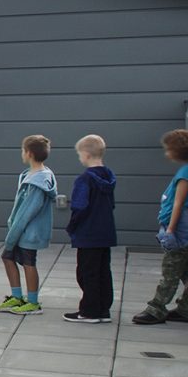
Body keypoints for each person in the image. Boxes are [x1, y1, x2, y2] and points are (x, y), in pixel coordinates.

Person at [135, 129, 188, 325]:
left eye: (168, 149)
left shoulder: (186, 173)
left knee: (171, 269)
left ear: (177, 151)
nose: (166, 153)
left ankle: (156, 308)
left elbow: (179, 203)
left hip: (181, 231)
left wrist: (170, 230)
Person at [0, 135, 58, 314]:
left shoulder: (38, 181)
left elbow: (26, 213)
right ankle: (17, 297)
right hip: (21, 230)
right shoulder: (28, 175)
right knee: (8, 258)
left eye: (23, 150)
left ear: (29, 154)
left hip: (28, 232)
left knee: (28, 263)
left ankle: (32, 302)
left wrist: (12, 235)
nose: (21, 153)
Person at [63, 135, 117, 323]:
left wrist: (72, 227)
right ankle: (103, 309)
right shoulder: (109, 176)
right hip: (105, 232)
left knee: (86, 272)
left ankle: (89, 310)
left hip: (88, 233)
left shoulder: (84, 179)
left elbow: (80, 206)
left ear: (86, 155)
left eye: (79, 154)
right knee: (103, 270)